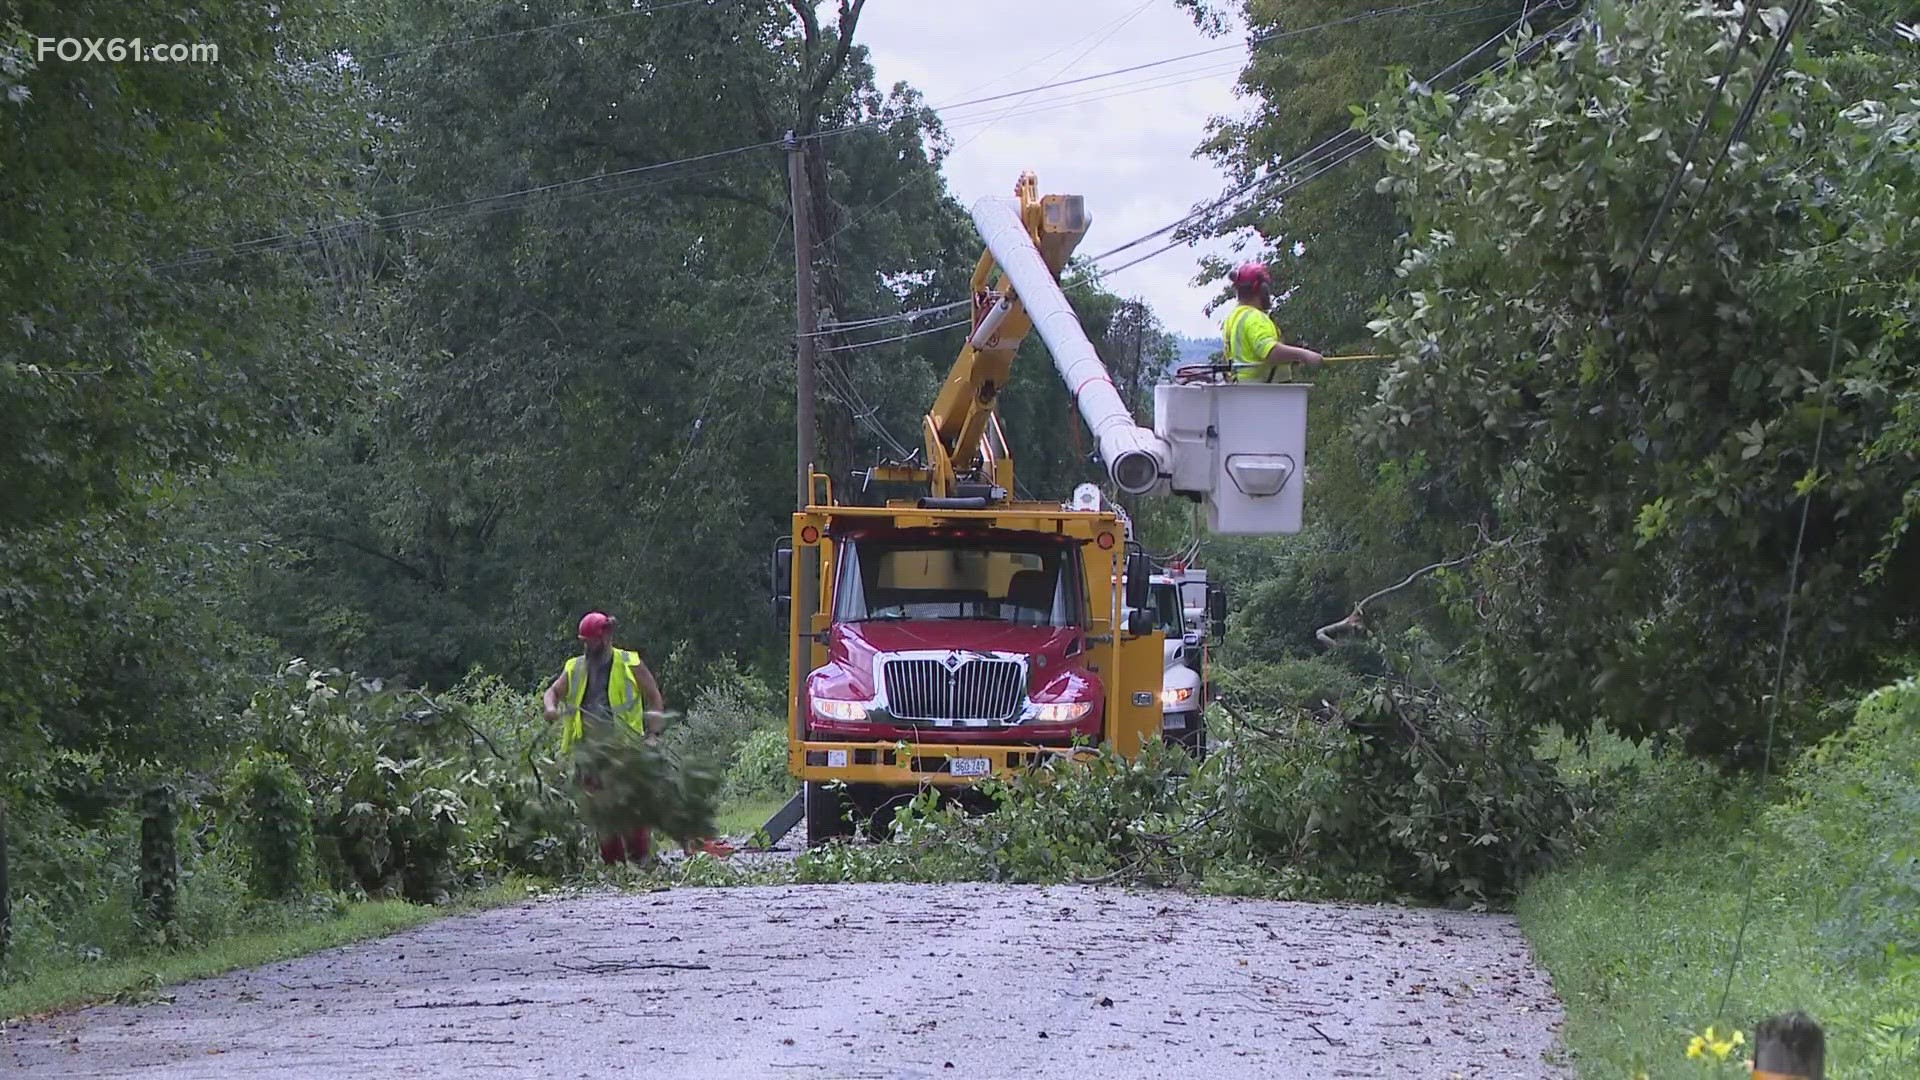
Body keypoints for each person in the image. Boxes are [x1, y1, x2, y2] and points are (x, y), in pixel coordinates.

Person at [543, 611, 665, 865]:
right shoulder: (574, 667)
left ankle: (641, 861)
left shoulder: (630, 662)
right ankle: (614, 866)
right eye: (584, 642)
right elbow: (552, 692)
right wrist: (551, 708)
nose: (587, 646)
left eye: (591, 641)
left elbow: (654, 697)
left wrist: (653, 734)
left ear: (606, 636)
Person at [1222, 262, 1324, 382]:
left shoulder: (1233, 318)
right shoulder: (1255, 319)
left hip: (1245, 392)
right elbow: (1270, 351)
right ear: (1262, 289)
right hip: (1267, 394)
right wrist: (1304, 355)